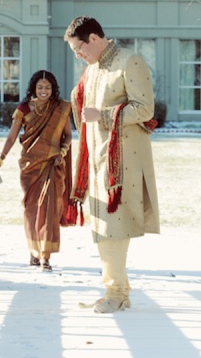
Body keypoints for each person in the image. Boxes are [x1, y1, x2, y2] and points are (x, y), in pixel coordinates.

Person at [64, 16, 160, 313]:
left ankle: (115, 293)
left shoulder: (129, 62)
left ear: (93, 38)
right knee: (103, 227)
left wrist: (104, 115)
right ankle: (118, 291)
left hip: (121, 162)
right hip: (95, 157)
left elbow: (145, 109)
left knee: (112, 226)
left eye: (79, 48)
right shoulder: (94, 69)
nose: (78, 55)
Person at [0, 70, 73, 272]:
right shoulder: (24, 109)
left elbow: (68, 136)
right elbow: (11, 137)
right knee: (32, 210)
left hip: (52, 164)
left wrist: (62, 151)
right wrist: (0, 159)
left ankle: (45, 256)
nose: (44, 91)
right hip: (30, 166)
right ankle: (33, 250)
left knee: (49, 208)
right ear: (33, 89)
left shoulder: (60, 108)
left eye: (48, 87)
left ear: (53, 89)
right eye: (40, 87)